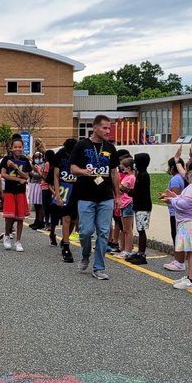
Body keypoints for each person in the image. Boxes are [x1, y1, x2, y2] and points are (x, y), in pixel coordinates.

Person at [69, 115, 119, 278]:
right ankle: (85, 255)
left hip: (106, 197)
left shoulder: (110, 148)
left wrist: (117, 196)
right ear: (95, 127)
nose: (107, 131)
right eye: (104, 128)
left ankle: (99, 267)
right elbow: (72, 168)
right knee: (86, 232)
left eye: (109, 128)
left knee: (103, 232)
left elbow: (114, 172)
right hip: (85, 196)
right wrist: (84, 171)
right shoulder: (81, 145)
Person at [161, 158, 192, 289]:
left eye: (187, 170)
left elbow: (185, 205)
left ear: (191, 172)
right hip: (188, 222)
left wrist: (171, 201)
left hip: (189, 223)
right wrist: (174, 197)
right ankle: (190, 276)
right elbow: (184, 200)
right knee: (190, 250)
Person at [0, 136, 31, 251]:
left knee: (20, 217)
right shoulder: (6, 159)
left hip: (21, 192)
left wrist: (15, 168)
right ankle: (7, 235)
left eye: (20, 147)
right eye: (15, 147)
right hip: (10, 190)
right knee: (9, 216)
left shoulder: (25, 160)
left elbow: (26, 175)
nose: (18, 149)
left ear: (23, 148)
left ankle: (18, 241)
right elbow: (3, 174)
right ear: (11, 148)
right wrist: (18, 179)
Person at [52, 137, 78, 263]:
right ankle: (66, 247)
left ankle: (65, 238)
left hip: (77, 188)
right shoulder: (60, 155)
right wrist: (57, 195)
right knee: (66, 217)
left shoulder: (80, 155)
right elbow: (56, 176)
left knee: (74, 218)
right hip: (64, 187)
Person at [163, 156, 187, 271]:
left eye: (169, 166)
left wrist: (165, 197)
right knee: (177, 236)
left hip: (175, 213)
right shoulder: (181, 177)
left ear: (172, 167)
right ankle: (177, 259)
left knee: (176, 236)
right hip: (178, 212)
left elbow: (175, 196)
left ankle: (179, 261)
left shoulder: (175, 180)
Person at [127, 152, 152, 265]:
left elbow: (139, 192)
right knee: (139, 229)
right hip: (139, 205)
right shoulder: (139, 174)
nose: (134, 165)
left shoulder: (144, 176)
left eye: (136, 162)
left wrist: (127, 191)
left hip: (143, 206)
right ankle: (138, 252)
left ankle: (142, 254)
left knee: (141, 230)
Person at [116, 156, 136, 256]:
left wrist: (118, 185)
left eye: (123, 167)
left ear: (128, 168)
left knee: (128, 229)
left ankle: (128, 250)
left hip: (128, 203)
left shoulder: (131, 177)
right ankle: (124, 248)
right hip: (123, 203)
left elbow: (122, 189)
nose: (122, 169)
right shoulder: (127, 177)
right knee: (124, 229)